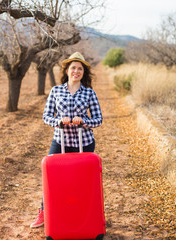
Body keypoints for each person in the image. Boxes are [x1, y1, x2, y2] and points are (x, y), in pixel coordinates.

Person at [30, 52, 103, 228]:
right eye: (73, 68)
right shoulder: (56, 91)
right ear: (67, 70)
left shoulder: (89, 93)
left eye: (80, 68)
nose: (76, 71)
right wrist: (58, 121)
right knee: (52, 178)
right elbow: (46, 116)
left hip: (84, 142)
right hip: (60, 141)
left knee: (82, 181)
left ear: (83, 72)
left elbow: (98, 119)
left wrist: (84, 121)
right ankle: (44, 212)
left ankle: (85, 212)